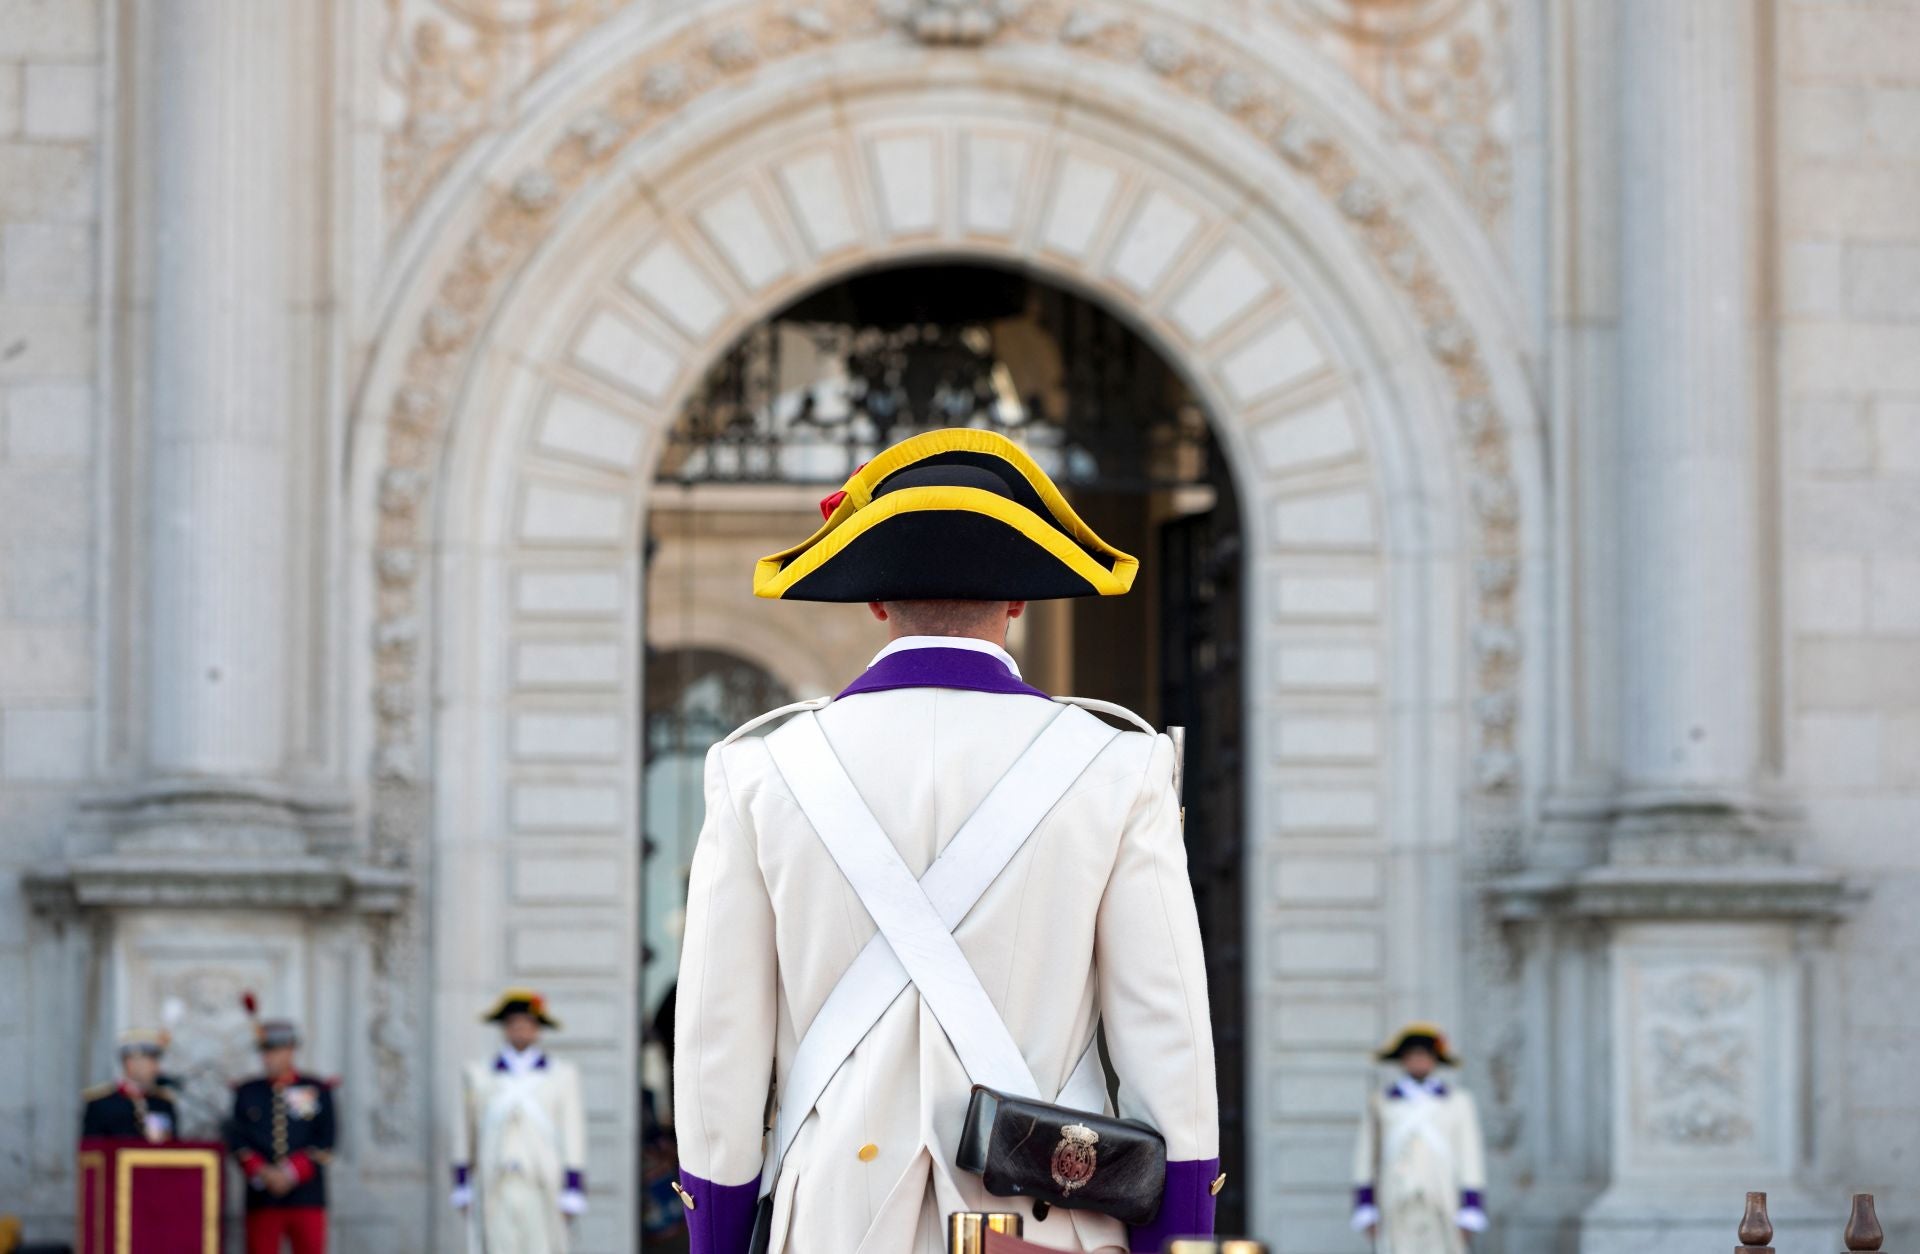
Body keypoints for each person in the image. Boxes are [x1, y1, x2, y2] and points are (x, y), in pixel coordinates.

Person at [671, 429, 1220, 1254]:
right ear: (1020, 599)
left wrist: (717, 1239)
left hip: (829, 1225)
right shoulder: (1120, 765)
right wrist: (1177, 1241)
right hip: (1049, 1227)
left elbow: (718, 1055)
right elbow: (1166, 1042)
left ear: (875, 600)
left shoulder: (757, 771)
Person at [450, 988, 590, 1253]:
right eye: (514, 1025)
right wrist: (461, 1182)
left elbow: (573, 1132)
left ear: (537, 1030)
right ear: (505, 1029)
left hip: (541, 1183)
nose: (521, 1031)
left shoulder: (561, 1075)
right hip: (496, 1183)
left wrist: (573, 1187)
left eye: (527, 1025)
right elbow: (463, 1131)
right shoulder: (479, 1074)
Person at [1350, 1022, 1487, 1253]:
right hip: (1394, 1199)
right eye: (1413, 1055)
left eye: (1425, 1056)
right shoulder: (1381, 1101)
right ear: (1403, 1059)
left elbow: (1470, 1157)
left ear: (1435, 1060)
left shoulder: (1457, 1101)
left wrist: (1471, 1208)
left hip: (1442, 1198)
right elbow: (1366, 1157)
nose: (1419, 1061)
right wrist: (1365, 1206)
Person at [227, 1018, 336, 1254]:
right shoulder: (247, 1091)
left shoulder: (317, 1089)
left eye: (274, 1051)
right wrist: (264, 1172)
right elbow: (237, 1141)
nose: (268, 1058)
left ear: (290, 1050)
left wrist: (290, 1173)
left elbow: (326, 1140)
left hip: (307, 1196)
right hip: (263, 1198)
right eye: (264, 1052)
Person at [80, 1028, 177, 1142]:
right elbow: (91, 1152)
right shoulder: (101, 1103)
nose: (156, 1069)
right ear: (130, 1062)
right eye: (151, 1061)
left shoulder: (163, 1103)